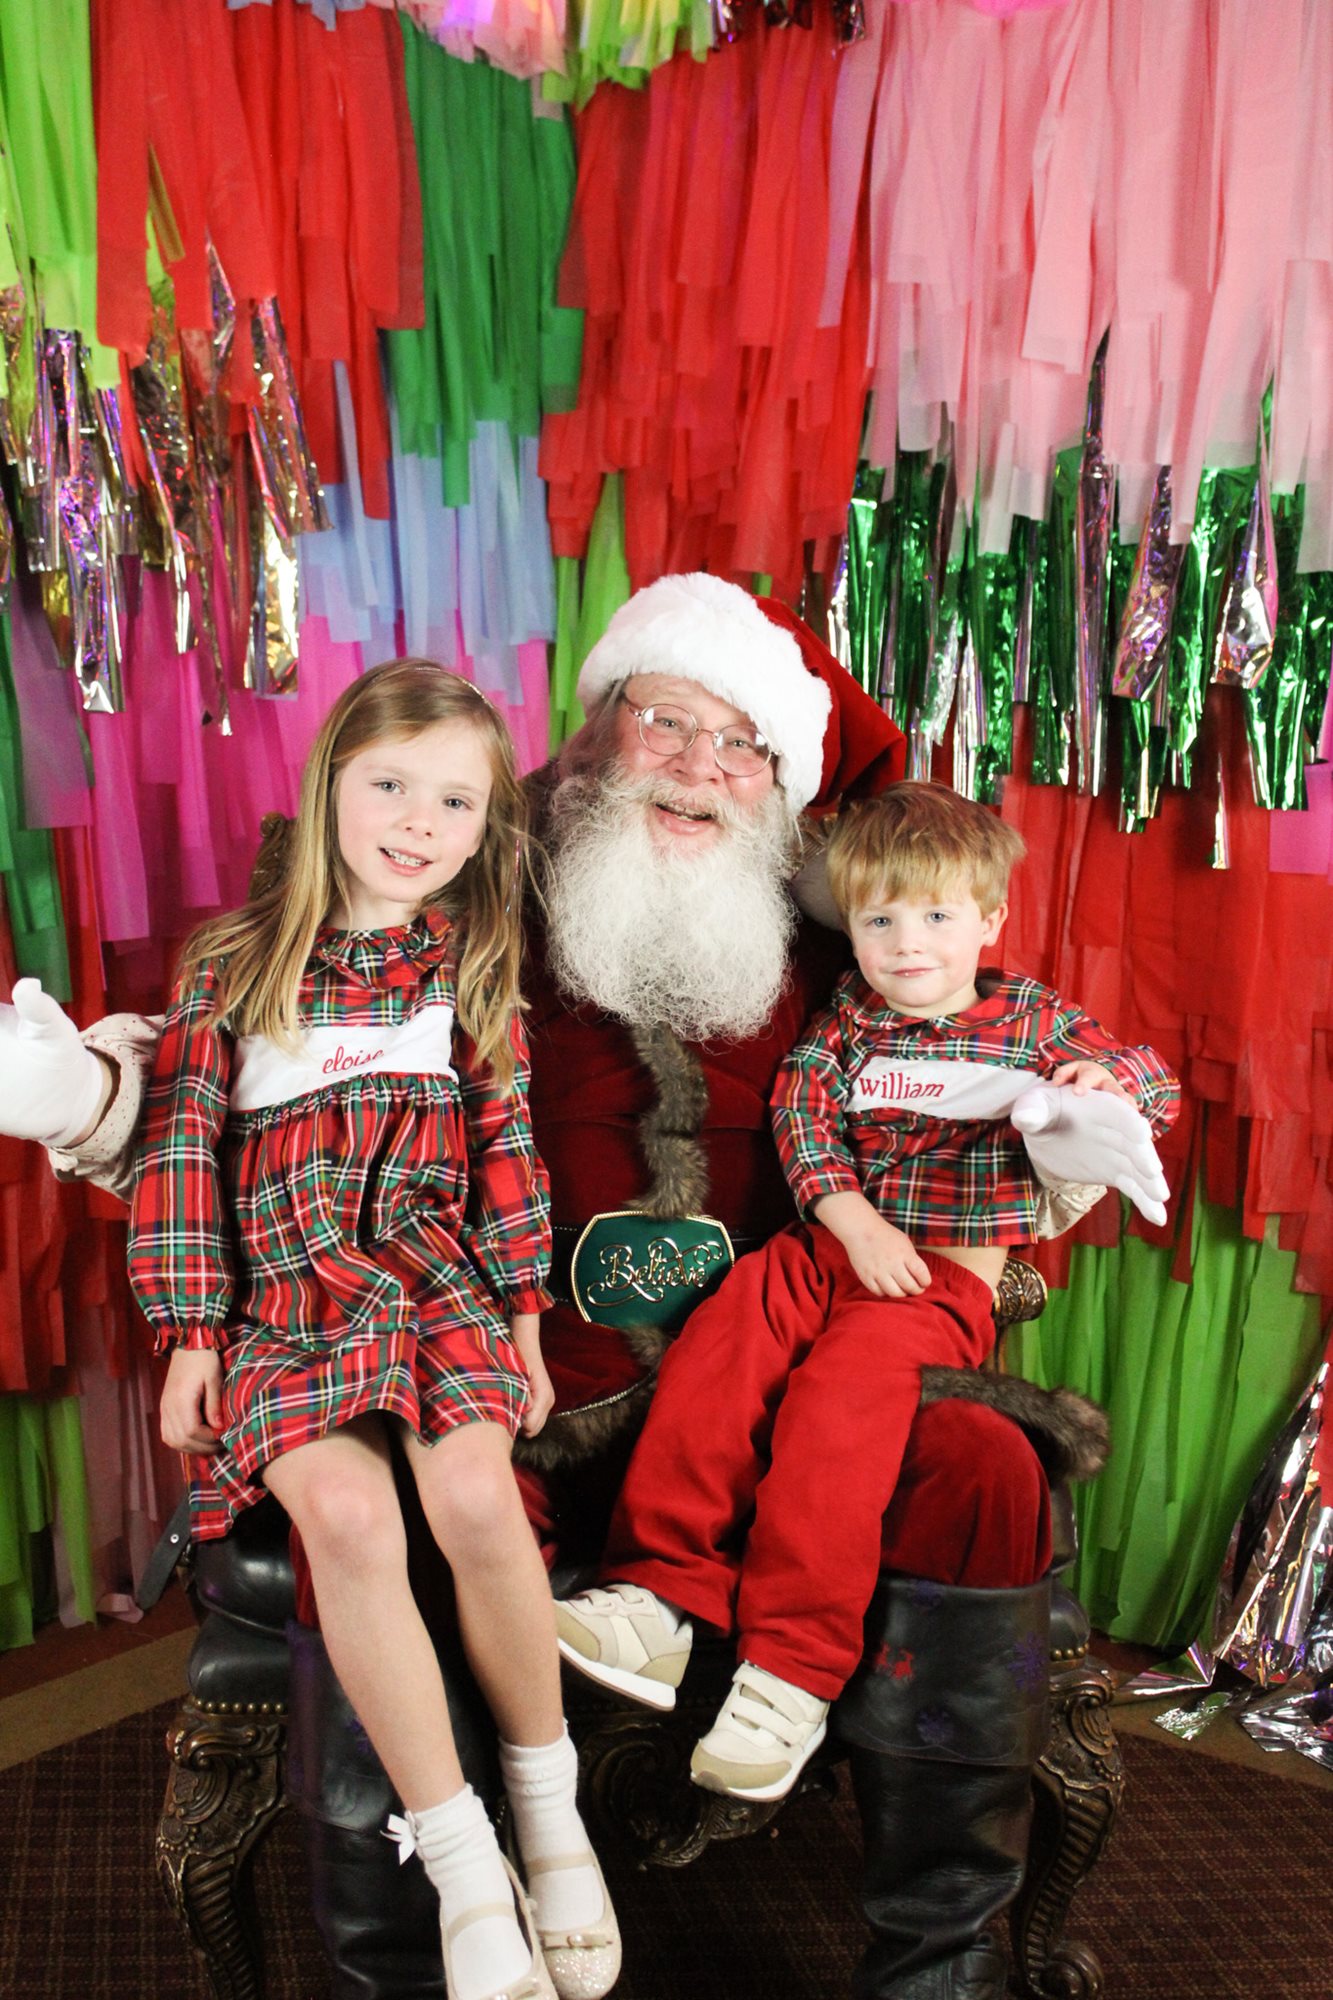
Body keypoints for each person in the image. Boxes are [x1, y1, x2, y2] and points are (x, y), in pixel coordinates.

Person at [0, 574, 1167, 1999]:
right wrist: (81, 1092)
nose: (697, 765)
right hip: (505, 1367)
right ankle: (424, 1945)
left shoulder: (854, 944)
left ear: (781, 787)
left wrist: (1055, 1140)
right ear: (596, 733)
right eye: (663, 721)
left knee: (977, 1463)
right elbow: (240, 1059)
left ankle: (940, 1965)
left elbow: (983, 1067)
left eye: (739, 744)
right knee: (398, 1501)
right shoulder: (465, 884)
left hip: (782, 1374)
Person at [125, 659, 620, 2000]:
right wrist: (191, 1332)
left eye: (455, 801)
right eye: (391, 784)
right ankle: (460, 1860)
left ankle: (549, 1815)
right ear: (330, 779)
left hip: (430, 1281)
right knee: (348, 1518)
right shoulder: (232, 967)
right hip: (284, 1302)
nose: (419, 821)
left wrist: (524, 1319)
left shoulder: (470, 964)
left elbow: (508, 1151)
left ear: (485, 823)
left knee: (473, 1496)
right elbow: (179, 1154)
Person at [554, 782, 1180, 1806]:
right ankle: (657, 1596)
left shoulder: (1031, 1020)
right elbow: (801, 1114)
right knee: (721, 1346)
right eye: (879, 920)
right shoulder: (849, 1018)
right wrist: (850, 1222)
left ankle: (790, 1672)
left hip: (936, 1279)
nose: (907, 943)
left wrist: (1102, 1090)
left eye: (934, 916)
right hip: (827, 1245)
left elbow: (1147, 1078)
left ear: (987, 919)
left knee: (837, 1407)